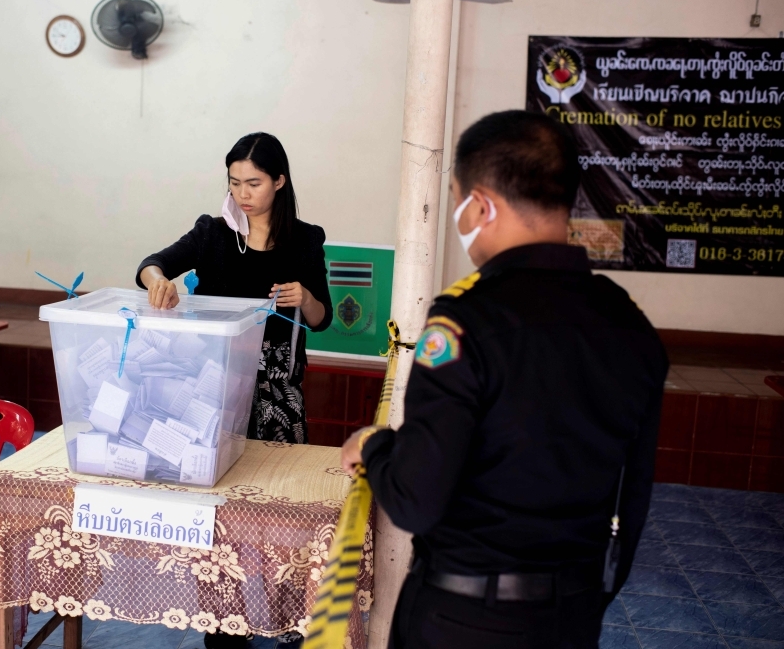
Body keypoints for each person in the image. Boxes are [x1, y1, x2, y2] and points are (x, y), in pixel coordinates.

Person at [341, 110, 668, 649]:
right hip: (573, 616)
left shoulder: (464, 321)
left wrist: (376, 447)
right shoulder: (628, 323)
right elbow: (632, 499)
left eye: (457, 199)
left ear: (483, 205)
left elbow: (415, 499)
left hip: (461, 619)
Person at [137, 132, 332, 648]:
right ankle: (223, 629)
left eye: (254, 182)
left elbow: (323, 317)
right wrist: (160, 281)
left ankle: (291, 619)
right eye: (234, 182)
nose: (243, 193)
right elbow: (151, 263)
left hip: (277, 388)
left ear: (280, 182)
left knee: (279, 510)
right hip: (215, 386)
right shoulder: (213, 233)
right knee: (218, 511)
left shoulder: (306, 239)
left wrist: (305, 295)